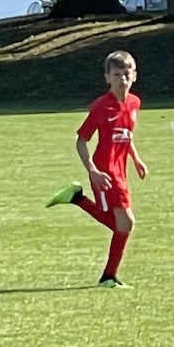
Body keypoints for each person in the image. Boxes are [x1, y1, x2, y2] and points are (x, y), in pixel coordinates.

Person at [46, 50, 148, 288]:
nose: (122, 79)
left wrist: (136, 159)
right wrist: (92, 170)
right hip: (104, 170)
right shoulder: (101, 107)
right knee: (126, 223)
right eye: (117, 74)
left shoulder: (134, 103)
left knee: (122, 225)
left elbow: (126, 134)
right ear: (107, 78)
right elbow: (81, 141)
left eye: (127, 74)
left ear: (135, 75)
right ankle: (108, 277)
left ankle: (76, 198)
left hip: (121, 170)